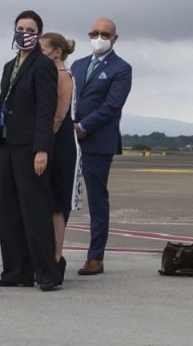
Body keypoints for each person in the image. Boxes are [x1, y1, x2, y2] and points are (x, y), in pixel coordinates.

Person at [0, 10, 62, 291]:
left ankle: (47, 272)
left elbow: (46, 110)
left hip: (30, 148)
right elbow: (1, 106)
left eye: (30, 29)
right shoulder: (10, 66)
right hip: (7, 145)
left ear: (38, 34)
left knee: (34, 211)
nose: (24, 33)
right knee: (8, 212)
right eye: (20, 27)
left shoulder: (43, 66)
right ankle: (16, 270)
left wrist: (42, 149)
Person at [70, 18, 132, 276]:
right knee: (62, 196)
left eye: (105, 34)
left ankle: (95, 257)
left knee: (97, 200)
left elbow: (112, 106)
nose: (99, 37)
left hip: (97, 142)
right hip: (70, 141)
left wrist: (84, 127)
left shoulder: (121, 68)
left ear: (115, 38)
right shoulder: (77, 65)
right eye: (95, 33)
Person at [39, 32, 77, 276]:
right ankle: (45, 256)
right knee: (46, 202)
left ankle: (56, 257)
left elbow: (60, 115)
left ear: (57, 52)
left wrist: (42, 140)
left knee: (56, 204)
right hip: (50, 141)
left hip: (58, 144)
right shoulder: (49, 74)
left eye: (42, 49)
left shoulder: (63, 76)